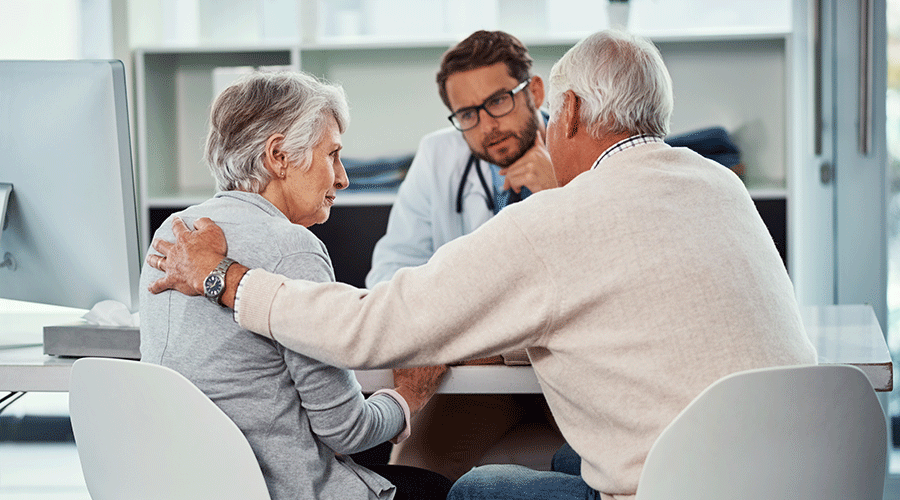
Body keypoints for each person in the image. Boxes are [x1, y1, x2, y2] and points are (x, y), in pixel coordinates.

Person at [146, 30, 818, 500]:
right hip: (802, 473)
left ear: (568, 109)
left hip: (677, 489)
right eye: (466, 113)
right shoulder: (720, 185)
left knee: (477, 489)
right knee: (560, 460)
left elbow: (373, 325)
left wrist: (226, 279)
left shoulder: (559, 215)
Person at [139, 70, 452, 500]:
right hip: (281, 490)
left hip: (189, 486)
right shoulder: (292, 248)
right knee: (444, 488)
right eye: (332, 155)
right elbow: (347, 430)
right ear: (279, 156)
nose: (342, 178)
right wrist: (407, 397)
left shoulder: (174, 233)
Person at [365, 30, 562, 479]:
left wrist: (560, 195)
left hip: (564, 380)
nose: (487, 125)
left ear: (533, 91)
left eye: (498, 101)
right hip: (476, 384)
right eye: (468, 114)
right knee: (412, 472)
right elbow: (389, 274)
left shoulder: (579, 150)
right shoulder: (439, 155)